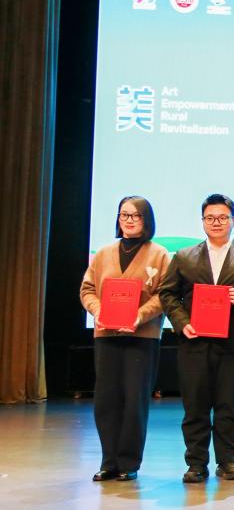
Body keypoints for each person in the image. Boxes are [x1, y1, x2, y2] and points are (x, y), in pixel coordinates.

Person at [158, 193, 234, 483]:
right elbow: (167, 293)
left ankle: (228, 461)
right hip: (194, 342)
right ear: (202, 221)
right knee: (194, 406)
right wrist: (182, 323)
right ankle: (196, 463)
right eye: (210, 218)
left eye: (222, 218)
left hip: (232, 344)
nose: (216, 223)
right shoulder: (184, 257)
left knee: (229, 406)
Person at [79, 196, 170, 481]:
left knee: (134, 400)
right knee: (106, 399)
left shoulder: (159, 254)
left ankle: (129, 462)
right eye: (124, 215)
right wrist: (98, 310)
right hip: (106, 334)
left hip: (142, 337)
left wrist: (139, 315)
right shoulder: (103, 253)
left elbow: (164, 295)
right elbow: (87, 290)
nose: (129, 220)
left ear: (146, 219)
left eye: (135, 215)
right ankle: (108, 461)